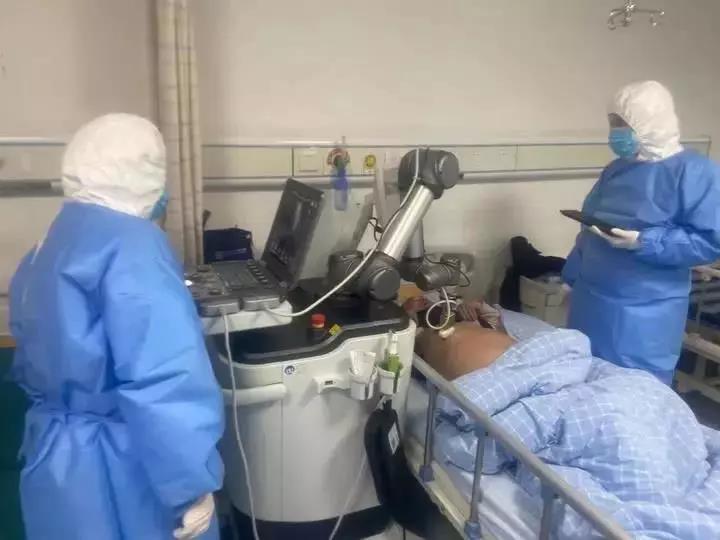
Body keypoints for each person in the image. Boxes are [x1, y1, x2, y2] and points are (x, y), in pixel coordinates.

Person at [9, 114, 224, 540]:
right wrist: (191, 485)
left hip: (55, 457)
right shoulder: (133, 246)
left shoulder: (50, 240)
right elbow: (163, 378)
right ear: (144, 175)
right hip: (122, 465)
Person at [563, 81, 720, 385]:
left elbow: (709, 241)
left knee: (633, 392)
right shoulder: (616, 169)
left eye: (622, 124)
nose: (615, 132)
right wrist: (571, 278)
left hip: (643, 313)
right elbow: (589, 230)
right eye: (612, 123)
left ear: (650, 123)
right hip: (590, 301)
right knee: (582, 383)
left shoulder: (696, 173)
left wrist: (643, 242)